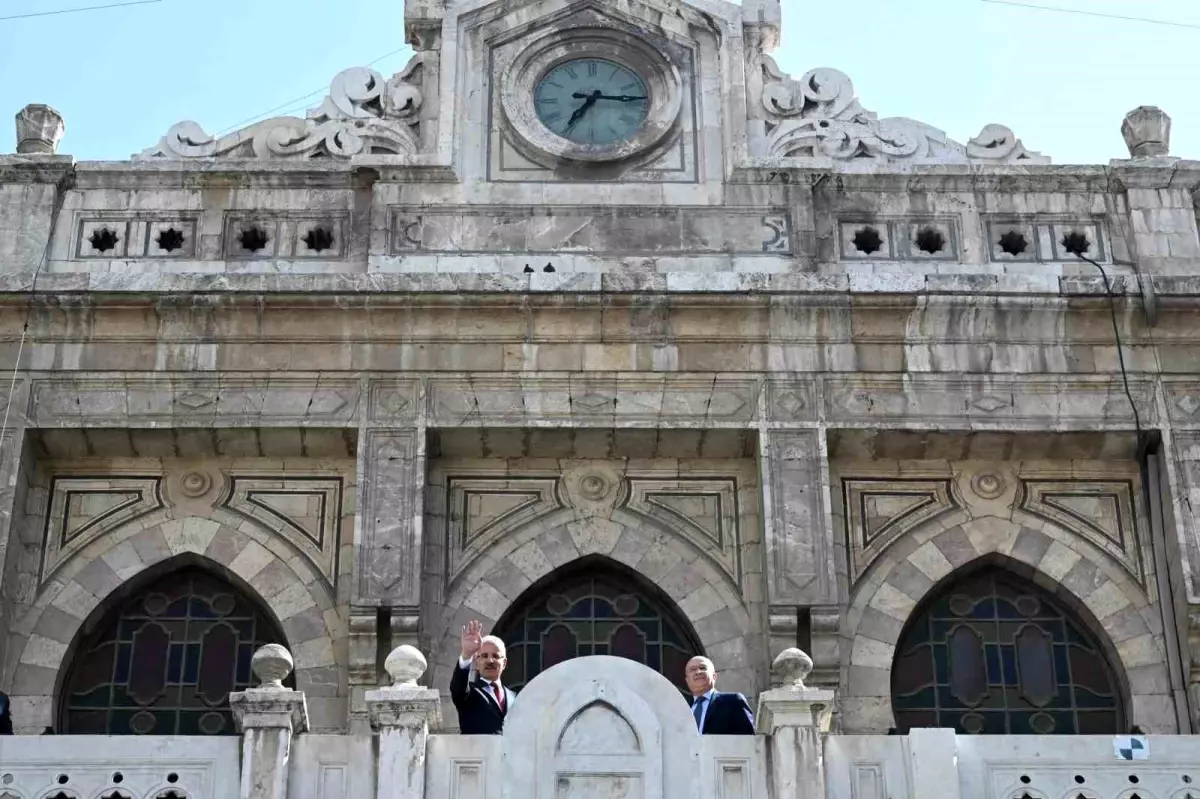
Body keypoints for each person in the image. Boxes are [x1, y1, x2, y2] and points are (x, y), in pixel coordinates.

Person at [450, 619, 516, 734]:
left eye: (495, 656)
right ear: (477, 663)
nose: (490, 660)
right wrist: (466, 655)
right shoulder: (468, 693)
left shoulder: (515, 697)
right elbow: (458, 688)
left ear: (504, 663)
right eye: (484, 656)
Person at [684, 655, 755, 735]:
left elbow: (748, 738)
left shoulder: (733, 701)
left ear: (714, 676)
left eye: (703, 668)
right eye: (693, 669)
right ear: (687, 680)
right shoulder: (682, 711)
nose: (698, 672)